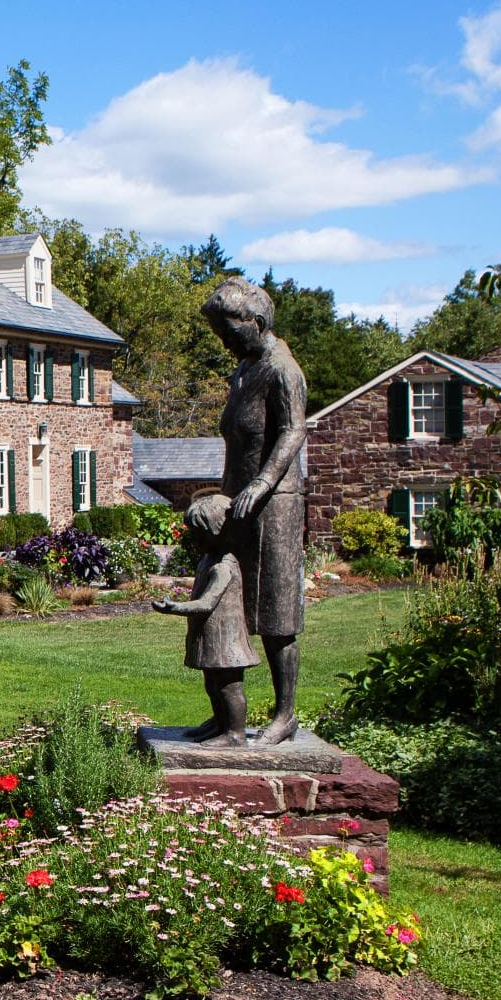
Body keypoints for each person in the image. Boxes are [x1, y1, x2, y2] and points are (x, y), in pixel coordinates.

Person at [201, 277, 308, 745]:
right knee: (233, 608)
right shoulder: (242, 371)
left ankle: (285, 715)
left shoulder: (282, 369)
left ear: (257, 322)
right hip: (238, 502)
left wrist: (264, 483)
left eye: (229, 330)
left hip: (275, 505)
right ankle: (230, 721)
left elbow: (292, 431)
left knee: (277, 612)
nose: (224, 340)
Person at [153, 494, 258, 747]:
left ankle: (235, 733)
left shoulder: (223, 567)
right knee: (212, 683)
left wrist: (174, 607)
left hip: (226, 636)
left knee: (229, 686)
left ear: (217, 532)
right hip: (212, 633)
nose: (195, 539)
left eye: (200, 534)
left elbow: (207, 602)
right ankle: (220, 723)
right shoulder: (208, 560)